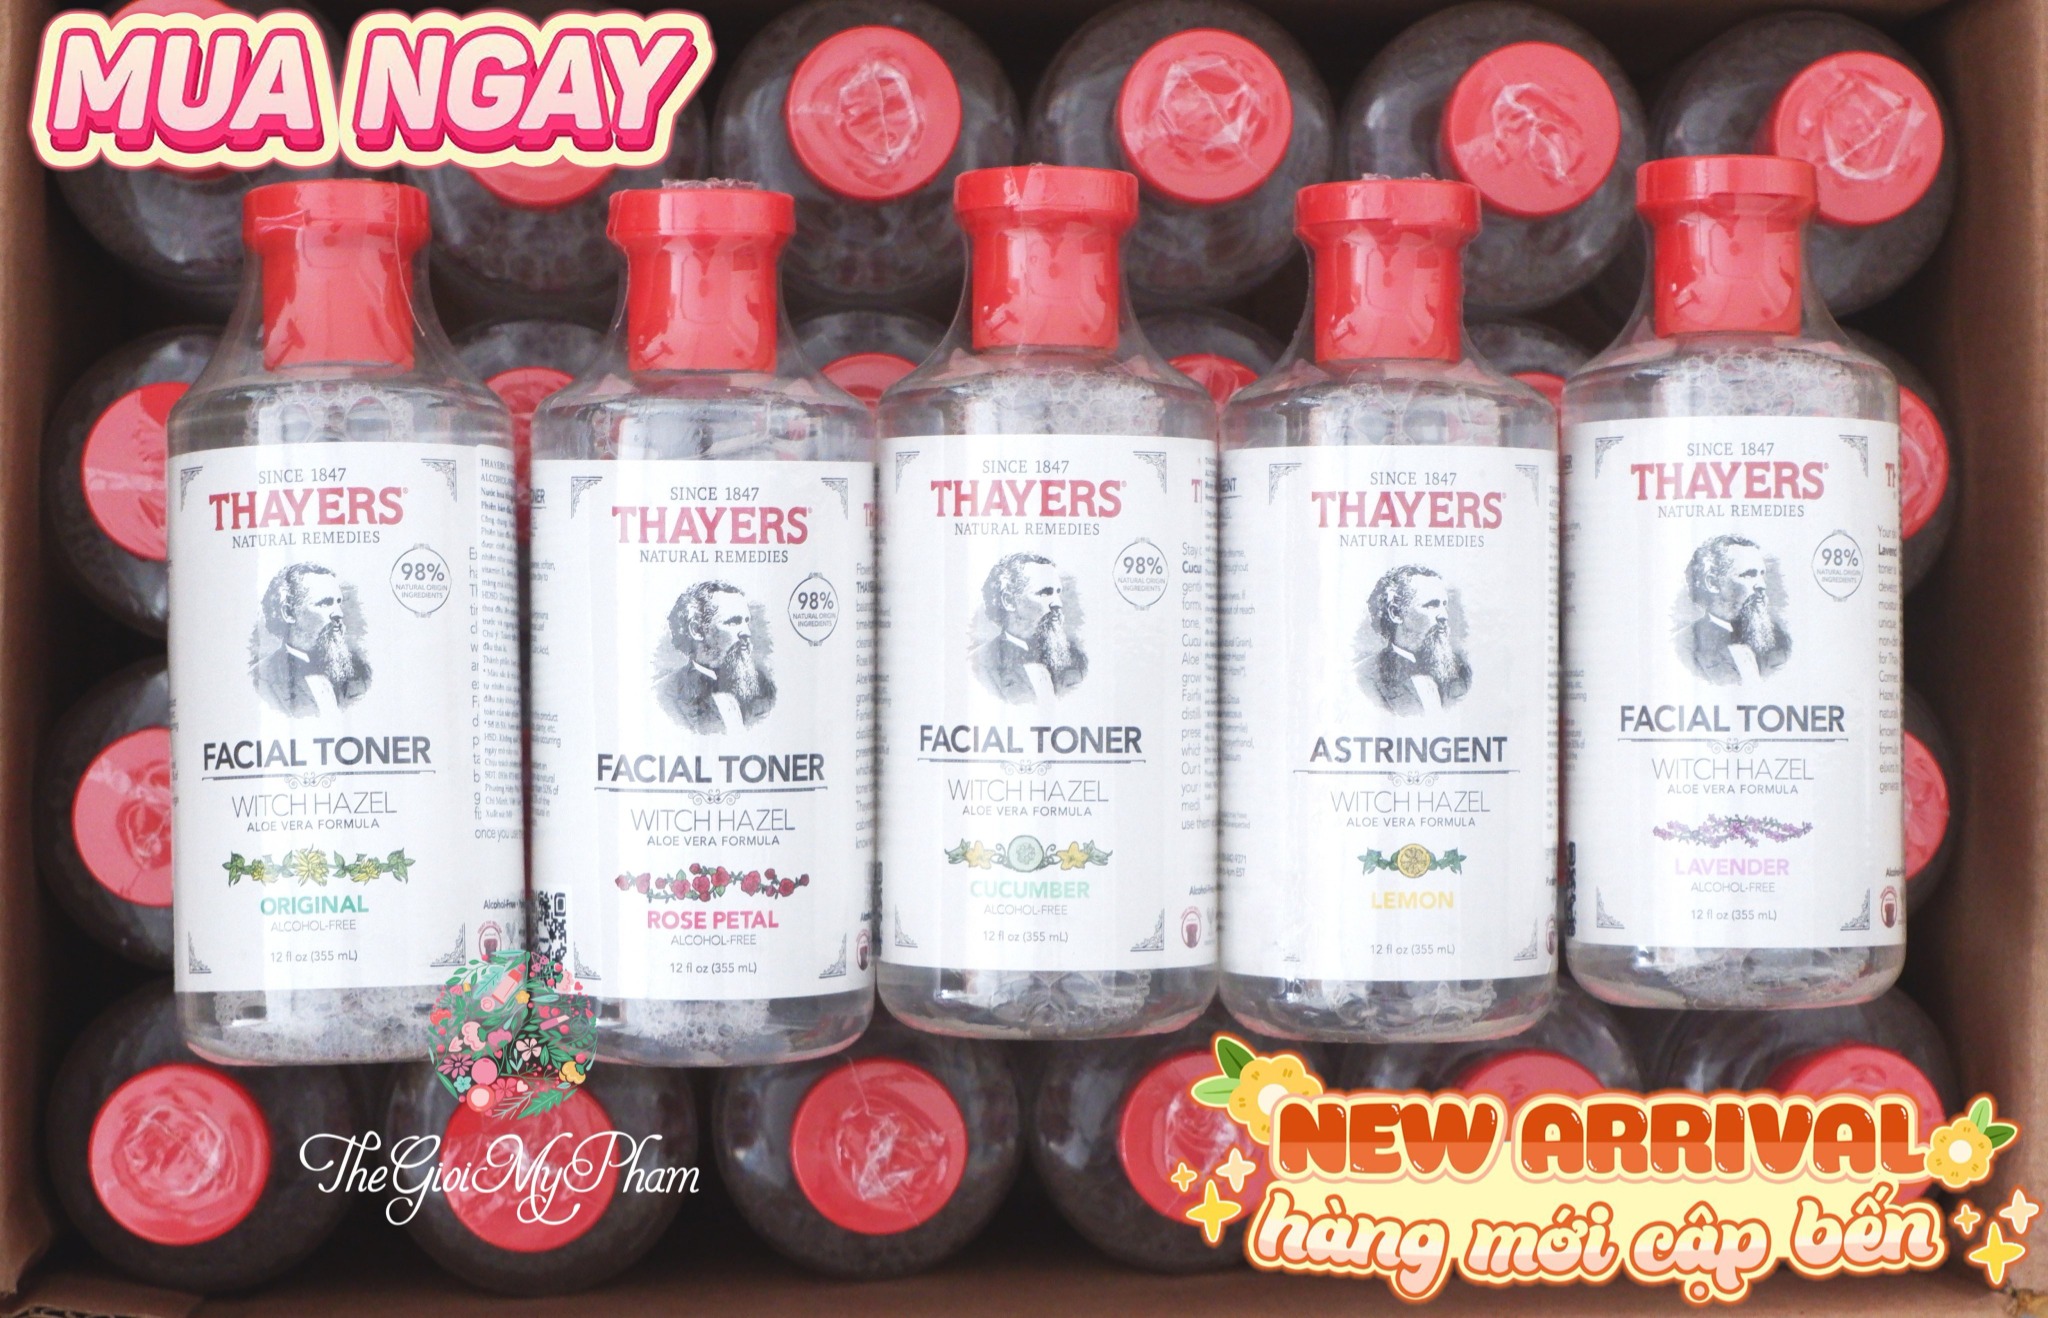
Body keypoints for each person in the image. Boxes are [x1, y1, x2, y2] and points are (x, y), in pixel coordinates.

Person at [252, 563, 371, 717]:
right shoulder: (261, 679)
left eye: (338, 602)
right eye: (325, 603)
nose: (339, 613)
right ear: (289, 613)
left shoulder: (361, 671)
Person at [658, 580, 776, 733]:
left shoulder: (765, 686)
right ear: (697, 630)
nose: (747, 632)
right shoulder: (666, 694)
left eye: (746, 621)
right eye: (733, 622)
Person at [974, 552, 1087, 705]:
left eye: (1058, 592)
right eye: (1045, 593)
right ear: (1009, 601)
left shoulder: (1076, 657)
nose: (1058, 603)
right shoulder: (981, 664)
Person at [1361, 564, 1470, 715]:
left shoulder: (1461, 671)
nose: (1444, 616)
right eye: (1431, 605)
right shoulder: (1366, 678)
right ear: (1396, 613)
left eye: (1444, 605)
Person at [1685, 534, 1790, 686]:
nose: (1762, 585)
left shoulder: (1779, 639)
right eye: (1749, 575)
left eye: (1762, 574)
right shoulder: (1686, 644)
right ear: (1712, 583)